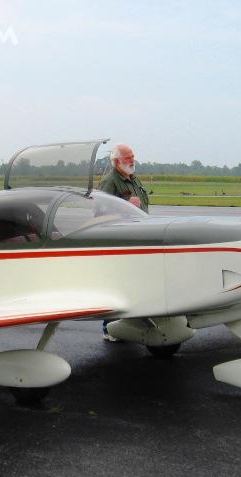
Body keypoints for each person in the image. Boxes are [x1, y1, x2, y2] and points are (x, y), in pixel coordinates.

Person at [98, 143, 150, 341]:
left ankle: (130, 326)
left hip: (140, 241)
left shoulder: (133, 180)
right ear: (117, 161)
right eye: (128, 157)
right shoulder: (110, 182)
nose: (132, 159)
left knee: (135, 287)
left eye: (133, 156)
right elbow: (99, 212)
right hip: (121, 243)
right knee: (118, 286)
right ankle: (109, 329)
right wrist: (126, 206)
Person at [98, 143, 150, 213]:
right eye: (127, 158)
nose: (132, 161)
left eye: (132, 157)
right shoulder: (109, 181)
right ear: (117, 162)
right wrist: (125, 205)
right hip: (124, 224)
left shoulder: (135, 179)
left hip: (141, 223)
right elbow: (100, 210)